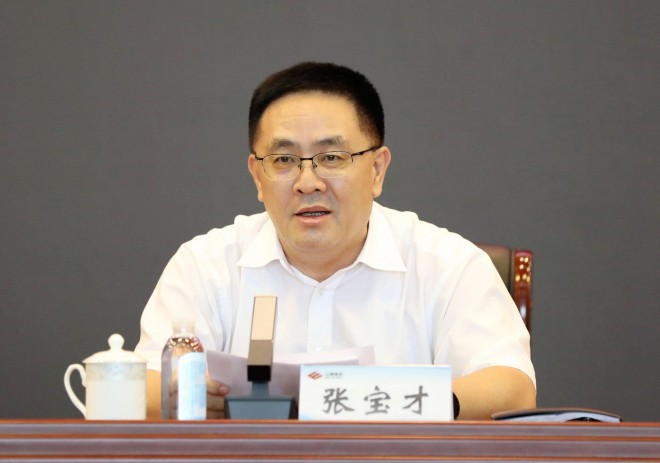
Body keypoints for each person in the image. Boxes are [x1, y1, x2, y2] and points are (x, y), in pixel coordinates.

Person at [135, 62, 536, 420]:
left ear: (377, 170)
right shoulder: (205, 265)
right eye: (284, 160)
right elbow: (146, 387)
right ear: (257, 176)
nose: (308, 183)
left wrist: (400, 401)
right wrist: (187, 396)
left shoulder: (448, 265)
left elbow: (512, 388)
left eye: (331, 158)